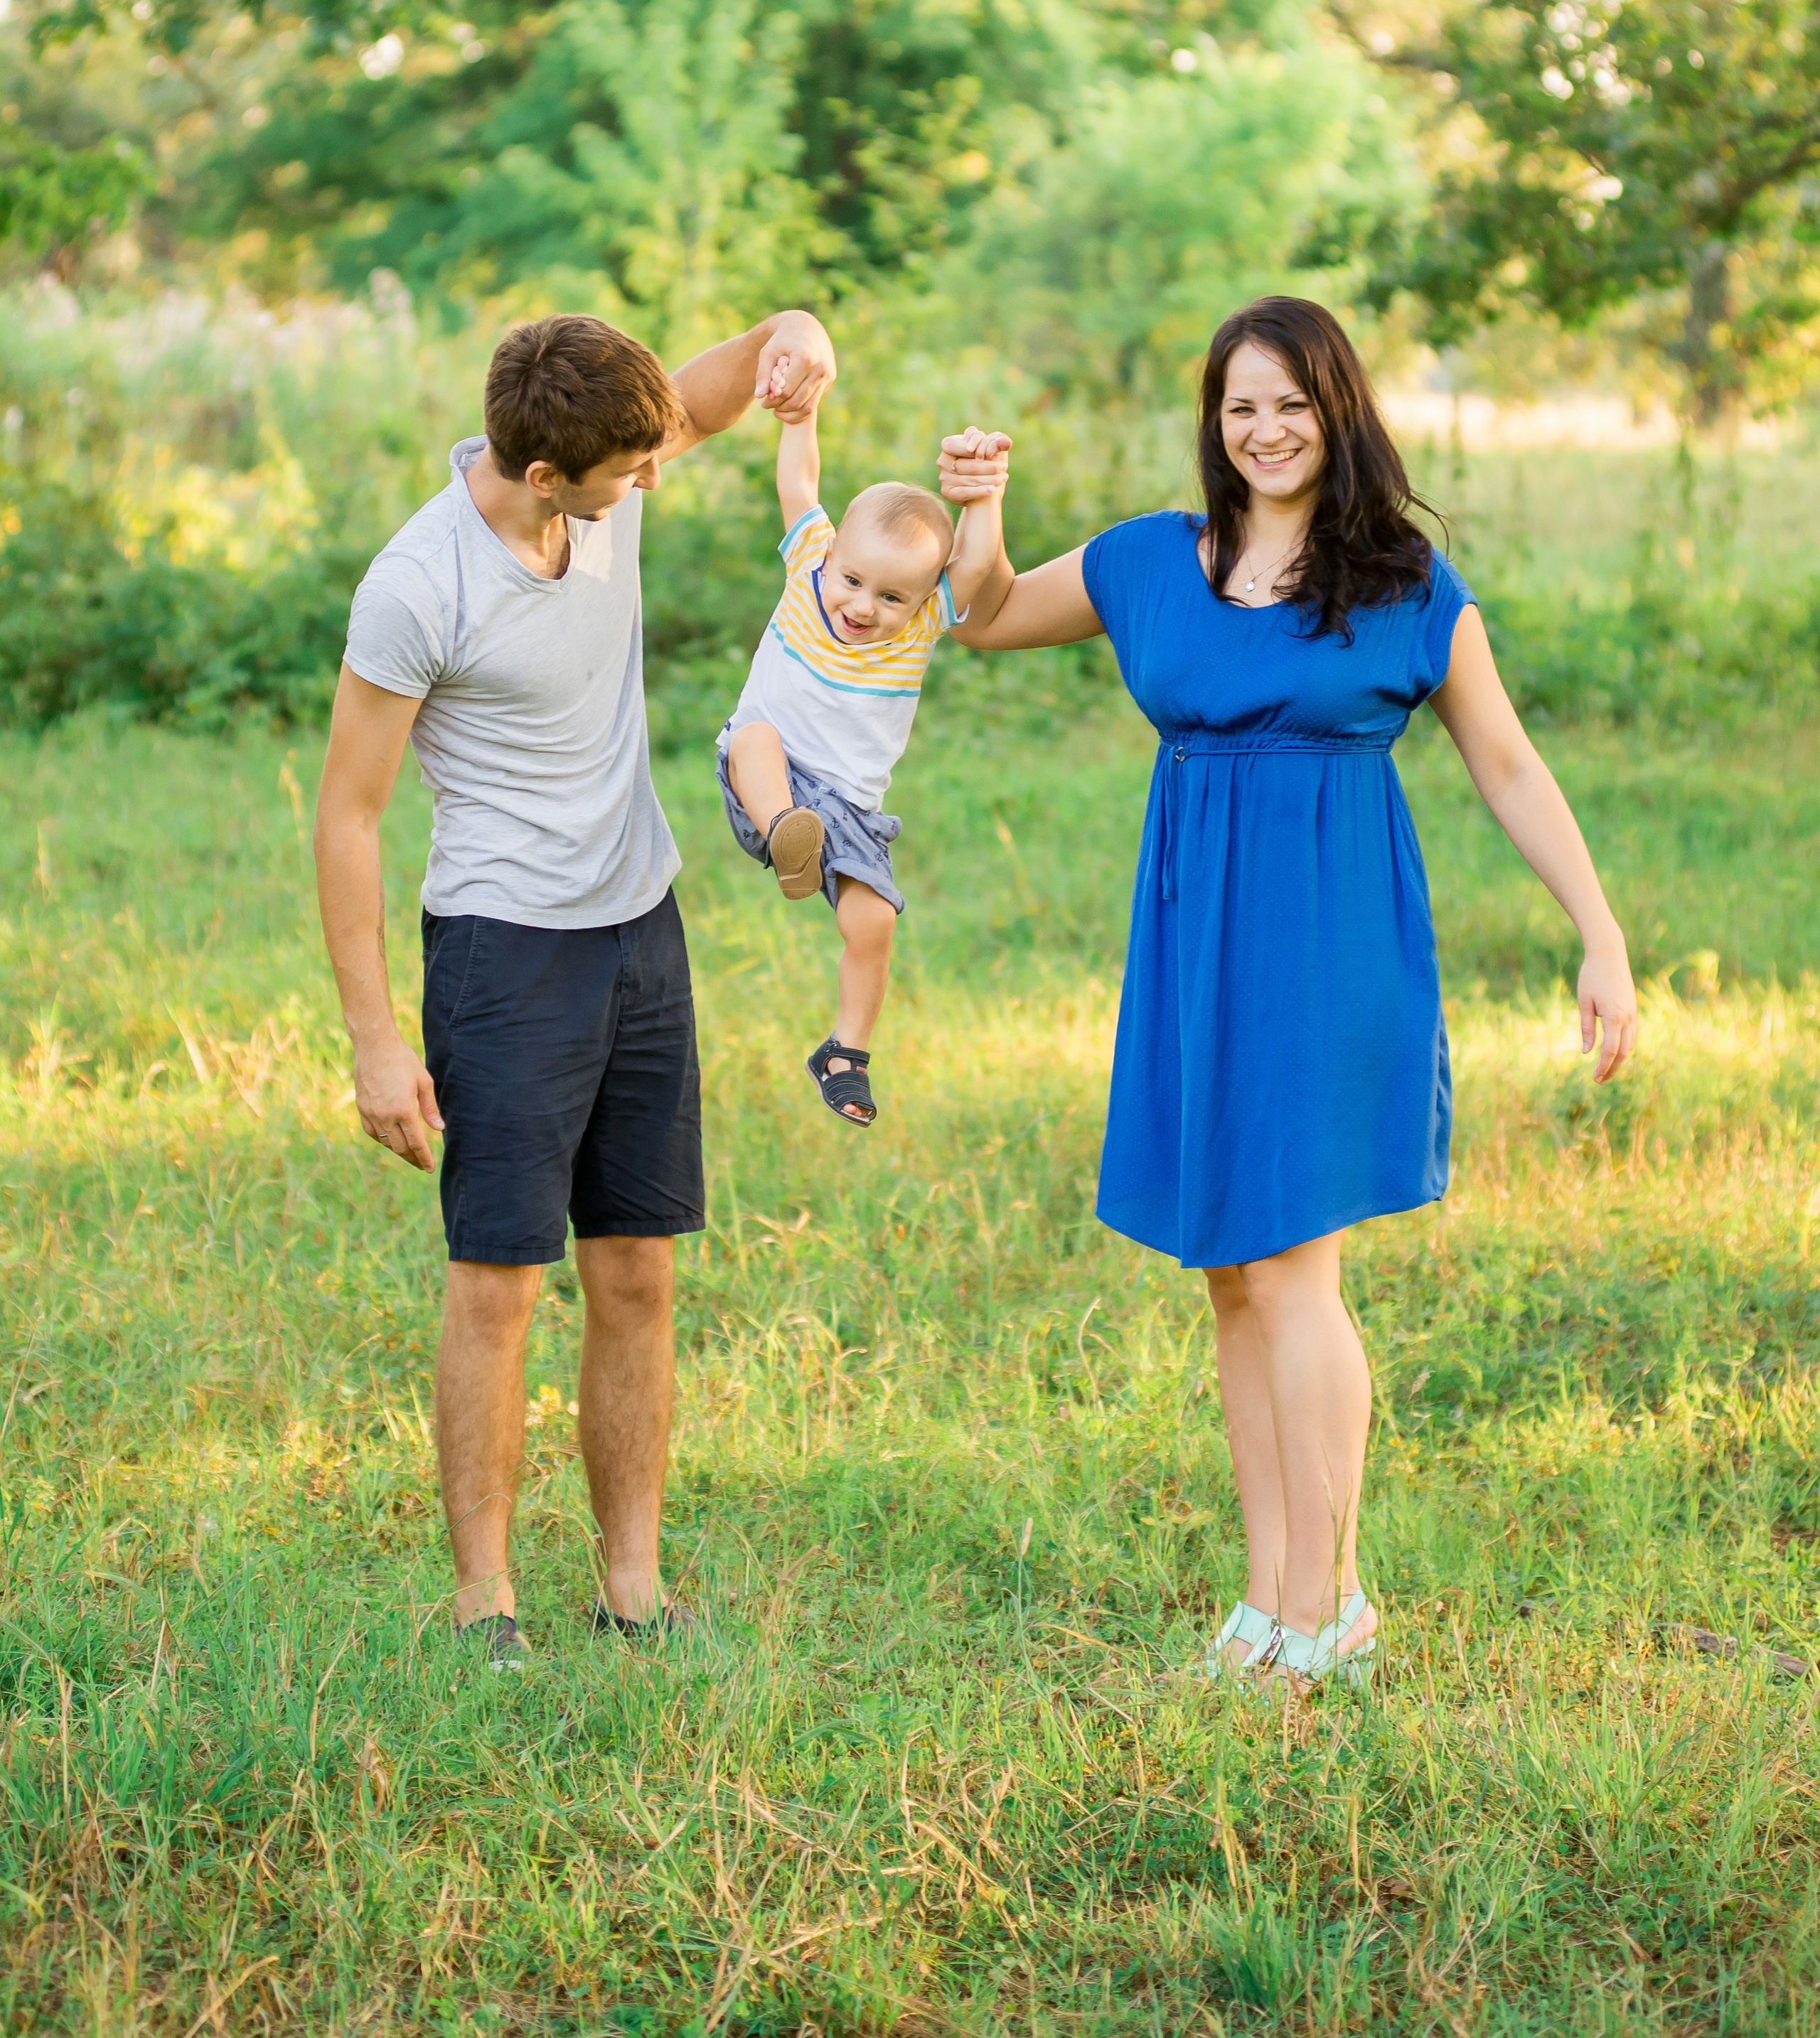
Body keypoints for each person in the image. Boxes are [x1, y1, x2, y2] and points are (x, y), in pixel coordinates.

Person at [944, 296, 1637, 1696]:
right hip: (1194, 942)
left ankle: (1332, 1604)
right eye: (1240, 405)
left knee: (1292, 1269)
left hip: (1330, 941)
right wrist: (978, 508)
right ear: (1214, 421)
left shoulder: (1403, 582)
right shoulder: (1150, 559)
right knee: (1230, 1272)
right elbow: (986, 614)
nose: (1264, 430)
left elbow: (1506, 765)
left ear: (1337, 412)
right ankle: (1268, 1599)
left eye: (1291, 404)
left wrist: (1598, 933)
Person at [313, 306, 836, 1673]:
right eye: (633, 467)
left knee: (638, 1271)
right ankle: (484, 1604)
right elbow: (349, 816)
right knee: (498, 1283)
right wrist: (375, 1042)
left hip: (639, 932)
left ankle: (633, 1592)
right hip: (505, 952)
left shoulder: (609, 465)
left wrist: (799, 338)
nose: (658, 472)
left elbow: (726, 384)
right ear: (545, 474)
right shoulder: (418, 585)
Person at [715, 397, 1012, 1127]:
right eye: (851, 580)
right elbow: (798, 482)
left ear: (922, 600)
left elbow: (976, 562)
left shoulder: (921, 625)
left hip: (846, 809)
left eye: (891, 595)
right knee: (754, 736)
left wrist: (984, 495)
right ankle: (787, 833)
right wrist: (800, 416)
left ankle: (844, 1054)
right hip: (766, 779)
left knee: (874, 922)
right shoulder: (807, 564)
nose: (863, 605)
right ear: (831, 555)